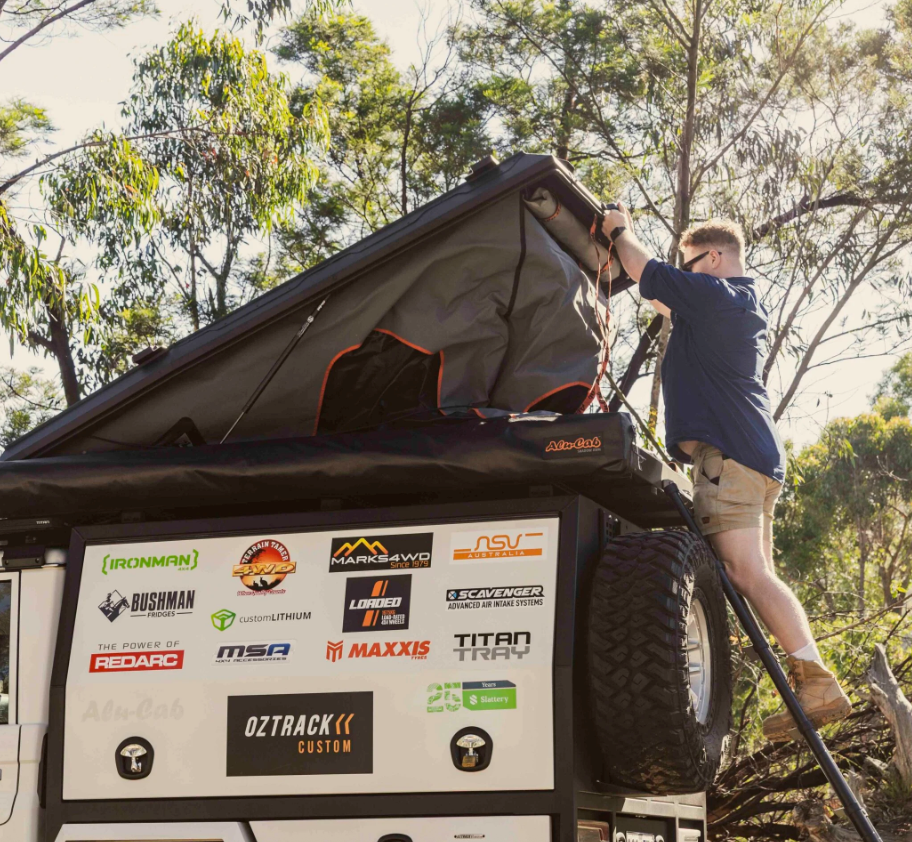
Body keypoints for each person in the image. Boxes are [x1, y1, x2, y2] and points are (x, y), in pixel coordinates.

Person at [601, 204, 851, 742]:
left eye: (691, 266)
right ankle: (813, 677)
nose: (685, 276)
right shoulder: (726, 306)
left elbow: (650, 274)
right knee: (757, 572)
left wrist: (620, 230)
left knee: (744, 572)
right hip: (753, 457)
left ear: (714, 259)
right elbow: (660, 293)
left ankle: (818, 682)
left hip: (732, 460)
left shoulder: (718, 296)